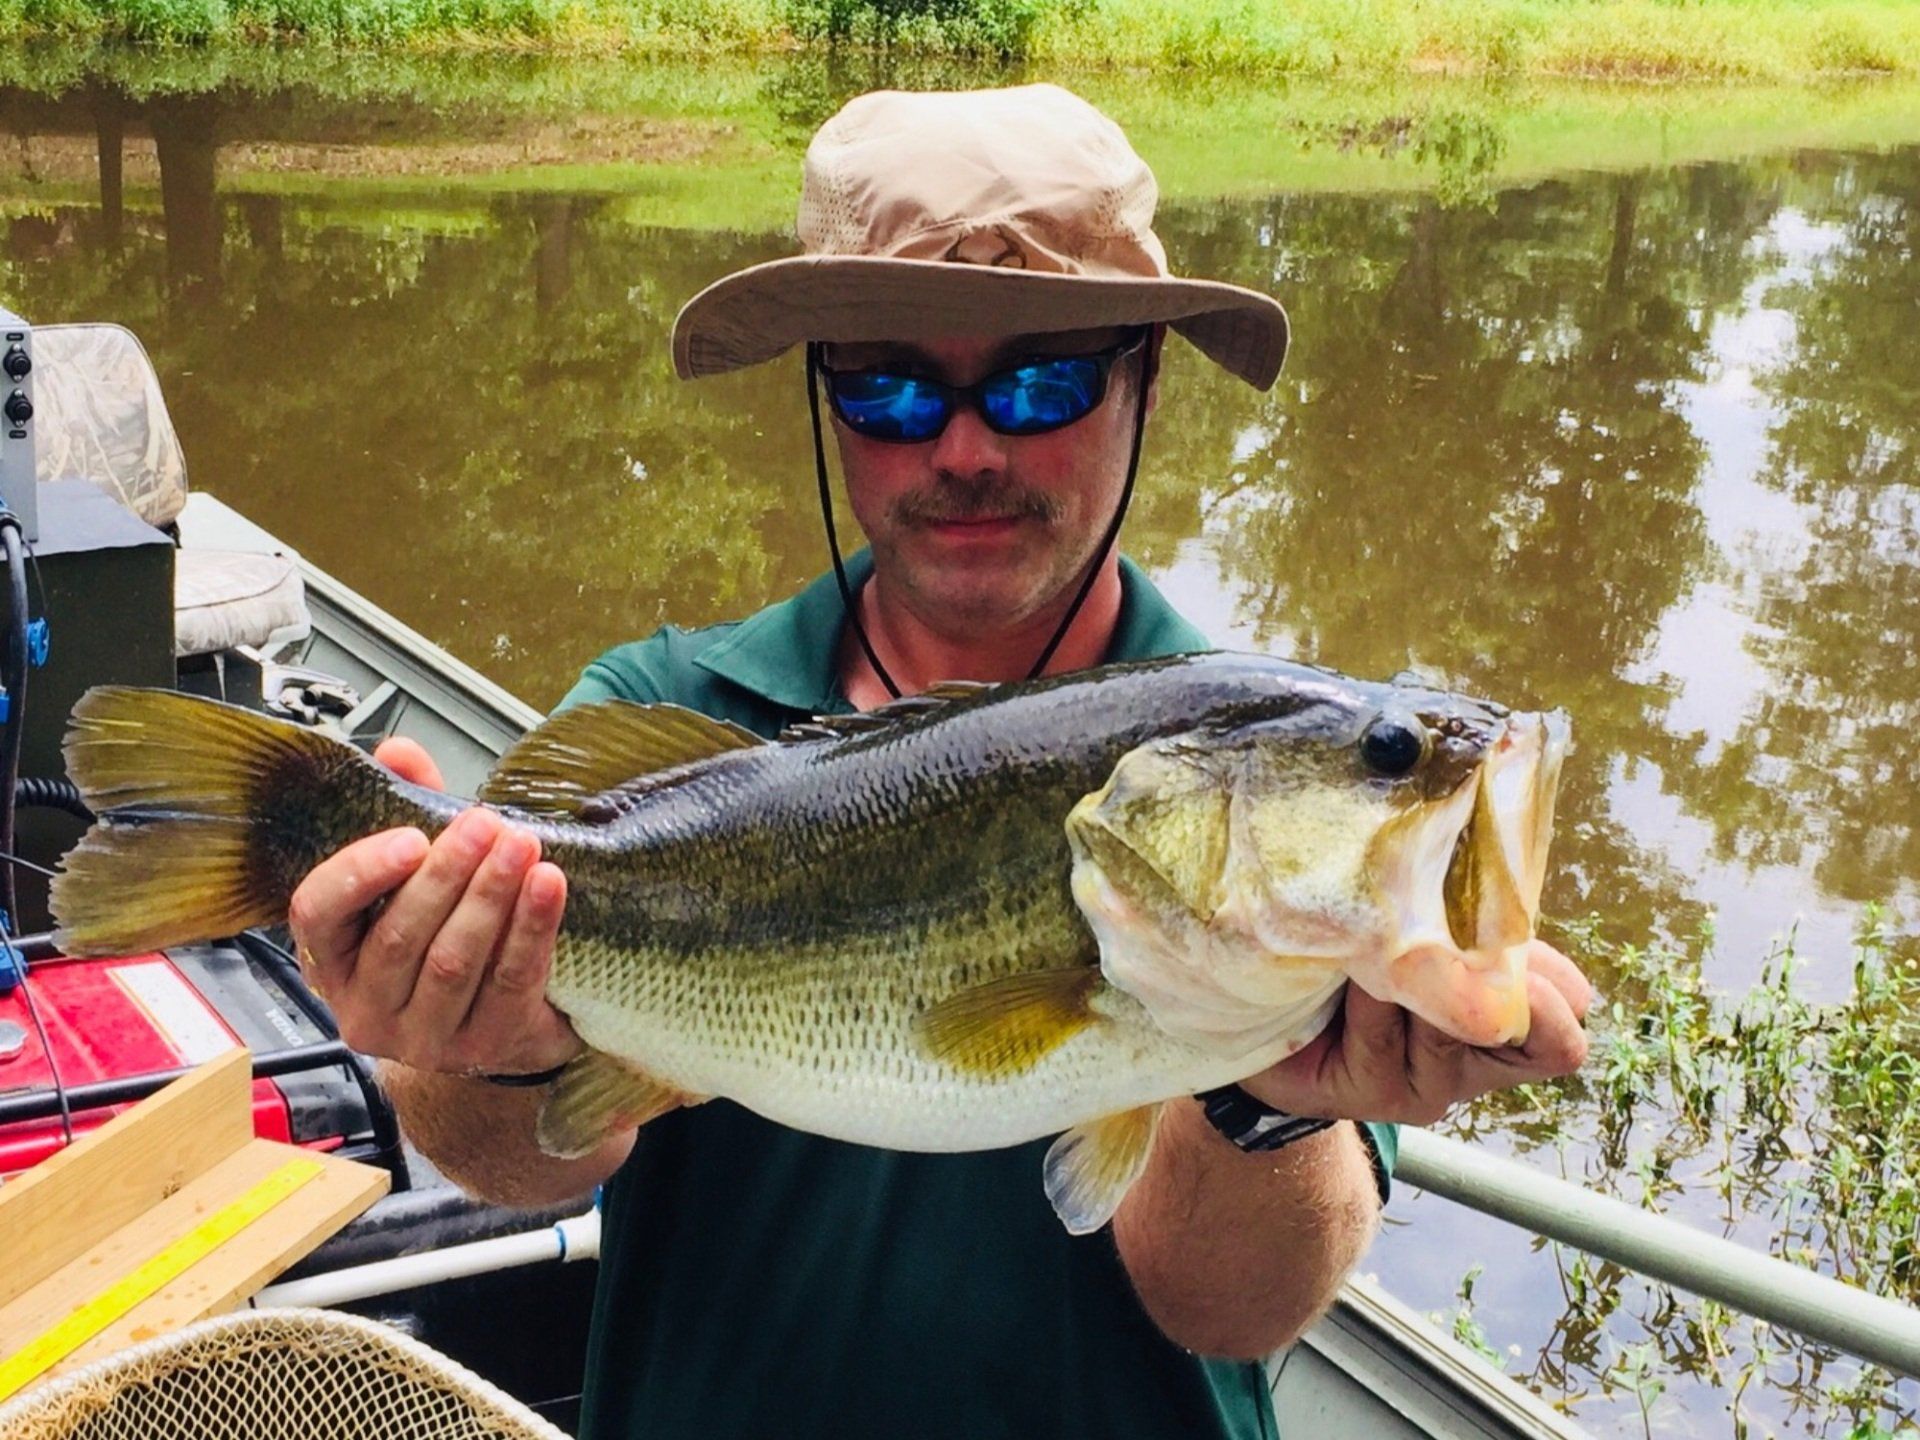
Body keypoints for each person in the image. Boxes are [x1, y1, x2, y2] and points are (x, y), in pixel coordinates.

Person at [288, 84, 1593, 1440]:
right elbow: (514, 1158)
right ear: (825, 400)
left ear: (1145, 378)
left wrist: (1260, 1110)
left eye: (1042, 383)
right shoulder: (663, 712)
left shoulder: (1251, 775)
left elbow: (1228, 1312)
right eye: (892, 388)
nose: (966, 448)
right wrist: (472, 1044)